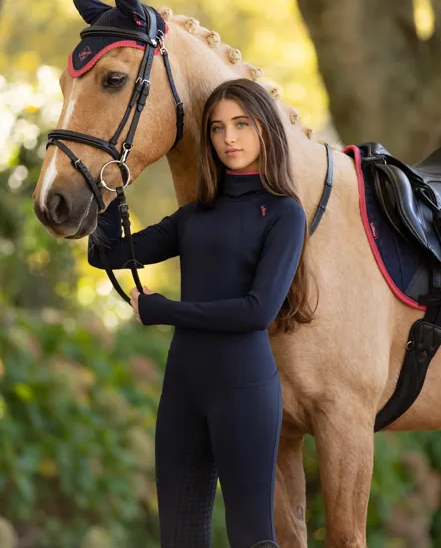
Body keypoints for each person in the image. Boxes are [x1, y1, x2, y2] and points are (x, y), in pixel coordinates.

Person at [87, 78, 318, 548]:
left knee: (252, 537)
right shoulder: (195, 215)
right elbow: (108, 254)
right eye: (216, 128)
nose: (229, 138)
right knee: (179, 537)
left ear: (264, 129)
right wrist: (111, 185)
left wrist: (163, 310)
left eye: (241, 124)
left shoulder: (283, 214)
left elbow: (256, 312)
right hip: (183, 390)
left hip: (244, 390)